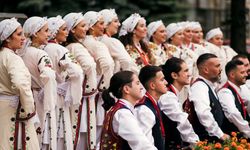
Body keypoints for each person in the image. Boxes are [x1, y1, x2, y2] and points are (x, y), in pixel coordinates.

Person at [44, 15, 84, 150]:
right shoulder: (60, 50)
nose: (67, 32)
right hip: (58, 97)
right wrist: (74, 93)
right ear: (55, 32)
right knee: (60, 133)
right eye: (64, 29)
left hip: (41, 95)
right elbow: (78, 72)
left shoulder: (41, 49)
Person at [0, 18, 39, 149]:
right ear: (7, 38)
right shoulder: (12, 58)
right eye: (18, 34)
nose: (23, 38)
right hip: (13, 109)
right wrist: (29, 110)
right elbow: (20, 84)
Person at [20, 16, 58, 149]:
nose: (49, 34)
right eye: (46, 30)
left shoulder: (20, 53)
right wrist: (49, 93)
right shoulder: (41, 54)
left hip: (24, 98)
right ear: (36, 33)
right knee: (42, 135)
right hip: (39, 99)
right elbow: (48, 75)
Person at [63, 12, 97, 150]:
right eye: (82, 26)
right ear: (72, 29)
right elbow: (89, 65)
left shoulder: (69, 46)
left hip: (70, 92)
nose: (86, 28)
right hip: (81, 94)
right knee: (82, 131)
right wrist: (91, 87)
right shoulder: (76, 47)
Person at [82, 10, 115, 149]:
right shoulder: (96, 44)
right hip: (97, 93)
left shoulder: (83, 42)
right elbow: (108, 64)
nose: (104, 26)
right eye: (101, 24)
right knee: (96, 131)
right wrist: (106, 87)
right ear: (91, 26)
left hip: (85, 89)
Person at [100, 71, 157, 150]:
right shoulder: (123, 113)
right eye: (137, 83)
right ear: (126, 89)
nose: (141, 87)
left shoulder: (119, 109)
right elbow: (141, 144)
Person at [188, 53, 229, 141]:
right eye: (217, 66)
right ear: (206, 70)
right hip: (206, 140)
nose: (220, 69)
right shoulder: (199, 86)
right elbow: (203, 113)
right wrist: (219, 134)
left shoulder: (208, 86)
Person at [160, 57, 199, 149]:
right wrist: (197, 143)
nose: (189, 74)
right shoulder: (168, 97)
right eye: (185, 71)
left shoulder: (174, 94)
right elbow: (182, 121)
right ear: (174, 75)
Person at [134, 65, 167, 150]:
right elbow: (143, 144)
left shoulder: (154, 103)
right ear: (152, 85)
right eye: (162, 80)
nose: (166, 82)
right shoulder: (144, 110)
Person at [98, 9, 138, 74]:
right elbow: (127, 61)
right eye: (115, 21)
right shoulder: (112, 41)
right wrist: (131, 78)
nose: (119, 24)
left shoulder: (97, 40)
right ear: (106, 24)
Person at [217, 60, 250, 138]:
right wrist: (248, 132)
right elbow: (232, 113)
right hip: (234, 137)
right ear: (232, 74)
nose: (246, 74)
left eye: (245, 72)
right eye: (242, 72)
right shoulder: (225, 91)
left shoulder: (237, 89)